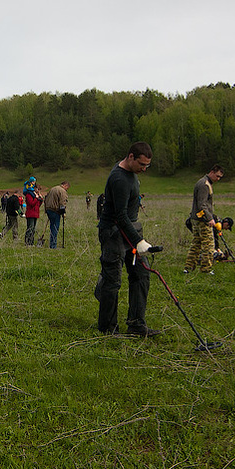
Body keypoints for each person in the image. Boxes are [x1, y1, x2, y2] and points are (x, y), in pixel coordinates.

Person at [94, 142, 161, 337]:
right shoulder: (119, 178)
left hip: (128, 230)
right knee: (112, 280)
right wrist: (139, 242)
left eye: (147, 165)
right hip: (113, 234)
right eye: (142, 164)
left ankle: (136, 324)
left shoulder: (131, 174)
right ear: (130, 157)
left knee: (141, 275)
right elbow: (120, 216)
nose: (144, 169)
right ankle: (107, 328)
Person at [183, 165, 225, 275]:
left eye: (220, 177)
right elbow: (202, 204)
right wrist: (209, 218)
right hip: (202, 220)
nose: (218, 179)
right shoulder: (204, 185)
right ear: (211, 172)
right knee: (209, 246)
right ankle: (206, 269)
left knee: (196, 244)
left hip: (196, 219)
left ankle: (188, 267)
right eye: (217, 176)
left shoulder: (205, 182)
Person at [43, 181, 70, 248]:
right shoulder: (62, 191)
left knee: (52, 227)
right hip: (55, 210)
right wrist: (63, 212)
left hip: (49, 209)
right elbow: (62, 203)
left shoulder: (53, 188)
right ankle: (53, 245)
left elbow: (46, 198)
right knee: (55, 228)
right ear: (65, 185)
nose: (66, 189)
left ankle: (52, 243)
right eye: (67, 188)